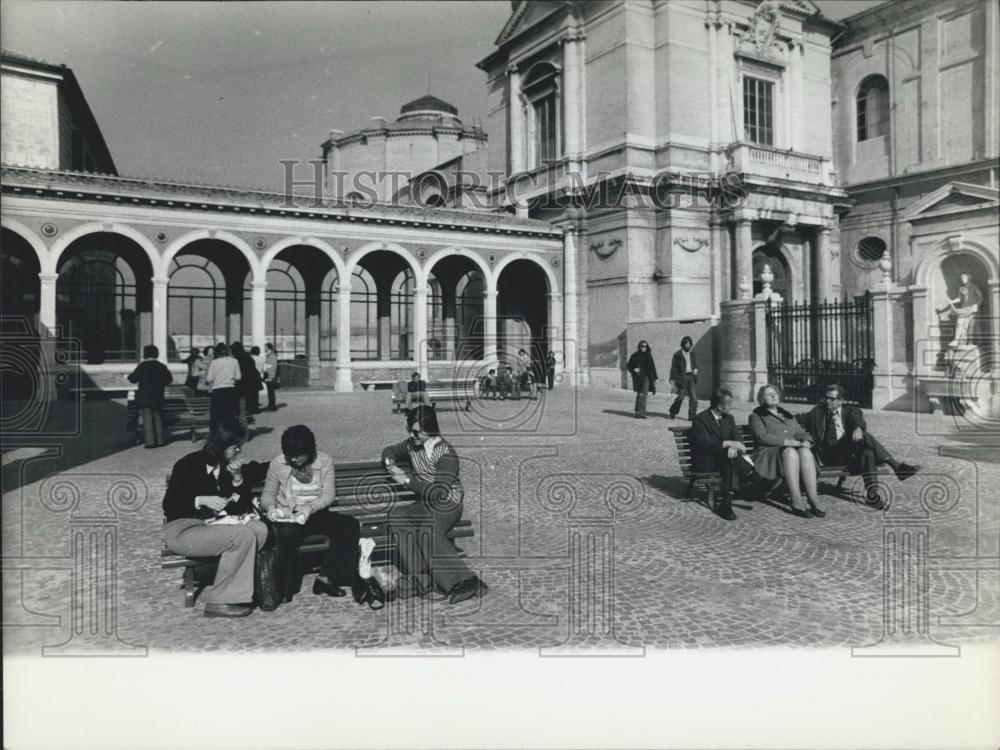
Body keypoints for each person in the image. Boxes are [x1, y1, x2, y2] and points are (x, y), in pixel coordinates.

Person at [162, 419, 270, 618]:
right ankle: (219, 601)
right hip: (183, 529)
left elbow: (239, 505)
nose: (238, 452)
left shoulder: (227, 468)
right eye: (235, 448)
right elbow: (170, 505)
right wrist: (202, 500)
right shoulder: (189, 464)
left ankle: (246, 588)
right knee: (241, 536)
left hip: (213, 526)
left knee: (260, 530)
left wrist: (238, 478)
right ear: (220, 446)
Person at [382, 405, 487, 604]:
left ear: (430, 430)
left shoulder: (445, 453)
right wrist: (390, 465)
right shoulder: (411, 445)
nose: (411, 435)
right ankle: (421, 575)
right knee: (397, 516)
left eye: (416, 432)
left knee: (427, 530)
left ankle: (467, 580)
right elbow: (390, 450)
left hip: (448, 503)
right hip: (426, 502)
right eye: (409, 430)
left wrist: (406, 481)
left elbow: (439, 492)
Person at [260, 425, 361, 603]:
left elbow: (328, 494)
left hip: (315, 513)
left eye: (299, 455)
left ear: (310, 451)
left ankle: (327, 577)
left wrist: (310, 508)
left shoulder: (324, 461)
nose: (294, 459)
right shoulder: (278, 463)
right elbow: (267, 495)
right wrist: (271, 509)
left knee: (349, 525)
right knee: (285, 534)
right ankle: (286, 585)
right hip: (289, 517)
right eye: (290, 455)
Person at [798, 384, 921, 508]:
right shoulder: (817, 412)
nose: (827, 401)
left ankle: (872, 495)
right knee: (867, 443)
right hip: (828, 455)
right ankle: (896, 466)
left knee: (868, 451)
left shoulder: (850, 411)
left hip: (848, 454)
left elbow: (857, 418)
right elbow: (795, 420)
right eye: (826, 398)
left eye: (831, 399)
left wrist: (858, 428)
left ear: (841, 400)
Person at [689, 389, 771, 521]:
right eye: (730, 405)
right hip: (706, 461)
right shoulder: (700, 420)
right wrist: (728, 444)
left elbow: (737, 439)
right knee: (730, 459)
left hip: (727, 460)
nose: (731, 408)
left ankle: (726, 504)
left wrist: (734, 446)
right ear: (720, 406)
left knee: (730, 461)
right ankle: (754, 478)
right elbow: (704, 444)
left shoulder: (729, 419)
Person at [748, 384, 825, 518]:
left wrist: (806, 441)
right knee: (790, 451)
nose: (773, 395)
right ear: (761, 398)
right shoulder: (756, 415)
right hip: (767, 455)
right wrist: (786, 442)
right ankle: (796, 500)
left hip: (789, 452)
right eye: (768, 394)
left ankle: (813, 499)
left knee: (805, 452)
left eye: (775, 393)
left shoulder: (787, 415)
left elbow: (801, 432)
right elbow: (762, 437)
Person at [127, 345, 174, 449]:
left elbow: (133, 379)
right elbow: (169, 380)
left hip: (145, 397)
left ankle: (150, 442)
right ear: (156, 354)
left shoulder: (142, 366)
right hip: (158, 396)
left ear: (145, 354)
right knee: (158, 418)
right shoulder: (161, 366)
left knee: (147, 419)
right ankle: (161, 440)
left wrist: (128, 376)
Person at [204, 342, 241, 434]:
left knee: (217, 415)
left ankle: (217, 434)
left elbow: (209, 378)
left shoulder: (214, 362)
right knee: (230, 414)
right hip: (231, 390)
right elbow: (238, 377)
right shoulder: (234, 361)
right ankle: (230, 433)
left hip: (218, 391)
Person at [947, 273, 984, 347]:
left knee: (970, 325)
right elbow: (959, 299)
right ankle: (956, 340)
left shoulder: (974, 287)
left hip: (972, 309)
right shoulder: (961, 288)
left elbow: (981, 298)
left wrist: (976, 305)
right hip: (964, 309)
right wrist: (952, 301)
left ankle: (970, 342)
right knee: (959, 323)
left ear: (968, 278)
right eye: (961, 278)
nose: (962, 280)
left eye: (964, 278)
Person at [668, 336, 699, 421]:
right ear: (683, 344)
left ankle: (692, 416)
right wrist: (672, 379)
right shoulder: (677, 355)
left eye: (689, 343)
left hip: (691, 376)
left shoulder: (692, 354)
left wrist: (696, 369)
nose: (688, 345)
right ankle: (673, 411)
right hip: (682, 377)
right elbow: (673, 367)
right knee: (681, 397)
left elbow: (694, 364)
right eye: (686, 343)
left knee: (694, 398)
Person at [231, 342, 261, 426]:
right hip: (249, 384)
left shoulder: (236, 359)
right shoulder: (249, 358)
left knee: (239, 406)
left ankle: (241, 425)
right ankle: (247, 419)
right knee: (246, 405)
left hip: (240, 385)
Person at [626, 340, 657, 419]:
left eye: (645, 346)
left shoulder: (649, 356)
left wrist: (654, 378)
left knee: (644, 395)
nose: (644, 348)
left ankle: (643, 413)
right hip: (639, 377)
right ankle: (637, 411)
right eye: (642, 346)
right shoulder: (635, 355)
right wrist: (634, 369)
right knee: (640, 394)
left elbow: (652, 367)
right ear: (639, 347)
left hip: (647, 377)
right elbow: (629, 365)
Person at [262, 343, 279, 410]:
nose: (264, 348)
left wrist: (270, 377)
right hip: (268, 375)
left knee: (271, 392)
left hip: (270, 376)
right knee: (270, 391)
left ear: (268, 348)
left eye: (265, 347)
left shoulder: (272, 356)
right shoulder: (270, 355)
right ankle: (271, 405)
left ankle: (272, 406)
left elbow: (272, 367)